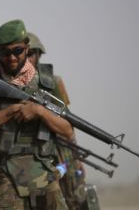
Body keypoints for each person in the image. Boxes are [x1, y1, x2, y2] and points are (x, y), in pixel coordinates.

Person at [0, 19, 73, 210]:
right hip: (6, 172)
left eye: (17, 50)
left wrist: (39, 111)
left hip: (43, 170)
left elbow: (67, 131)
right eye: (4, 52)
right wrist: (11, 111)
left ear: (27, 48)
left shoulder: (47, 83)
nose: (11, 57)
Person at [27, 32, 88, 210]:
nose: (27, 59)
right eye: (26, 53)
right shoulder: (14, 81)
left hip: (59, 148)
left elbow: (67, 120)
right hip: (33, 151)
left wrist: (76, 158)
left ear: (38, 55)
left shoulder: (52, 82)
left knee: (72, 196)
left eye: (31, 54)